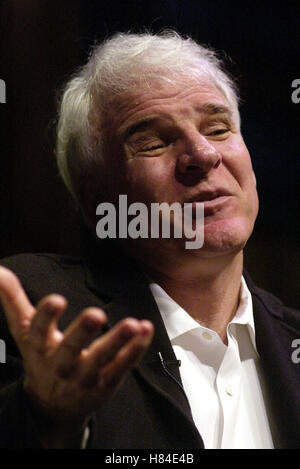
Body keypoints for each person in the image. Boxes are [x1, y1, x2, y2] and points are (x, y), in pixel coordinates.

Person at [0, 31, 299, 450]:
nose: (203, 154)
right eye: (153, 143)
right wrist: (46, 420)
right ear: (96, 197)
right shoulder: (35, 309)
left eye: (217, 128)